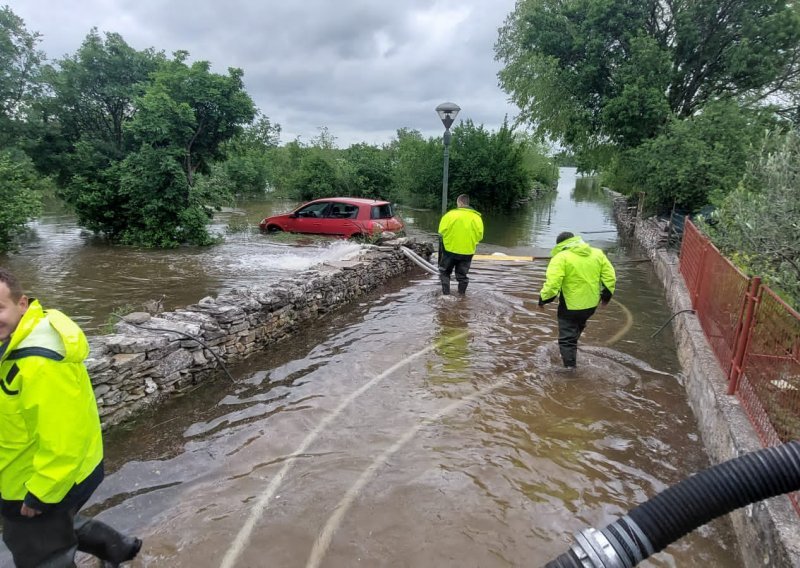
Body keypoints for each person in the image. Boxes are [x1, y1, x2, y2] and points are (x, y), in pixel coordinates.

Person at [0, 268, 141, 568]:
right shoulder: (14, 336)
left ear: (21, 304)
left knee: (36, 546)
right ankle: (115, 546)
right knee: (45, 527)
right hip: (39, 469)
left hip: (40, 478)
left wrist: (41, 493)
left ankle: (113, 546)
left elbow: (62, 438)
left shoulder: (39, 363)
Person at [537, 232, 616, 368]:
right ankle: (571, 352)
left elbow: (553, 283)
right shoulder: (597, 253)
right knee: (577, 328)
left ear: (560, 245)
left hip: (570, 306)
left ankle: (570, 371)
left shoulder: (561, 257)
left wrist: (543, 299)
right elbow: (610, 278)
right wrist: (606, 296)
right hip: (591, 305)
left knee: (566, 339)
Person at [437, 194, 484, 295]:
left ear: (460, 203)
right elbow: (480, 236)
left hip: (450, 250)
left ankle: (446, 295)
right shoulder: (477, 218)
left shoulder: (449, 215)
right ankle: (462, 297)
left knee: (445, 273)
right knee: (462, 276)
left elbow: (441, 232)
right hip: (467, 252)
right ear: (467, 203)